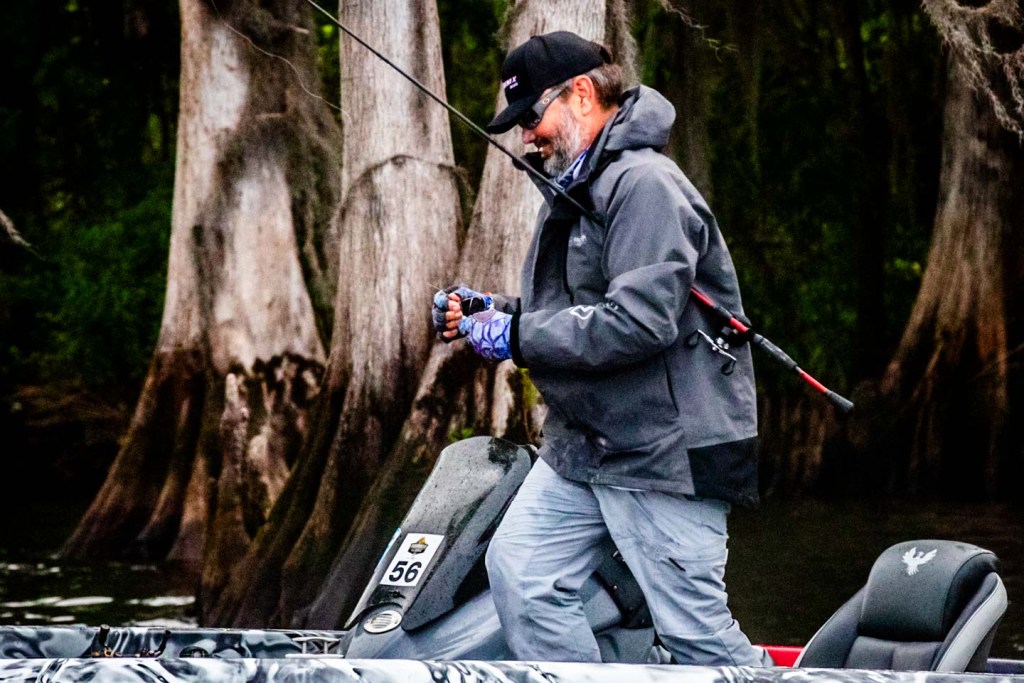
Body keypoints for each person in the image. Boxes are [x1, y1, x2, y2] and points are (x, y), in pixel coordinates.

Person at [431, 31, 767, 666]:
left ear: (581, 95)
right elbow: (574, 313)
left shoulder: (645, 185)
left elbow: (637, 323)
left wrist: (516, 336)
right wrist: (492, 312)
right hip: (587, 445)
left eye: (531, 117)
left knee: (697, 639)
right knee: (523, 576)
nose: (526, 137)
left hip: (662, 451)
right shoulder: (578, 188)